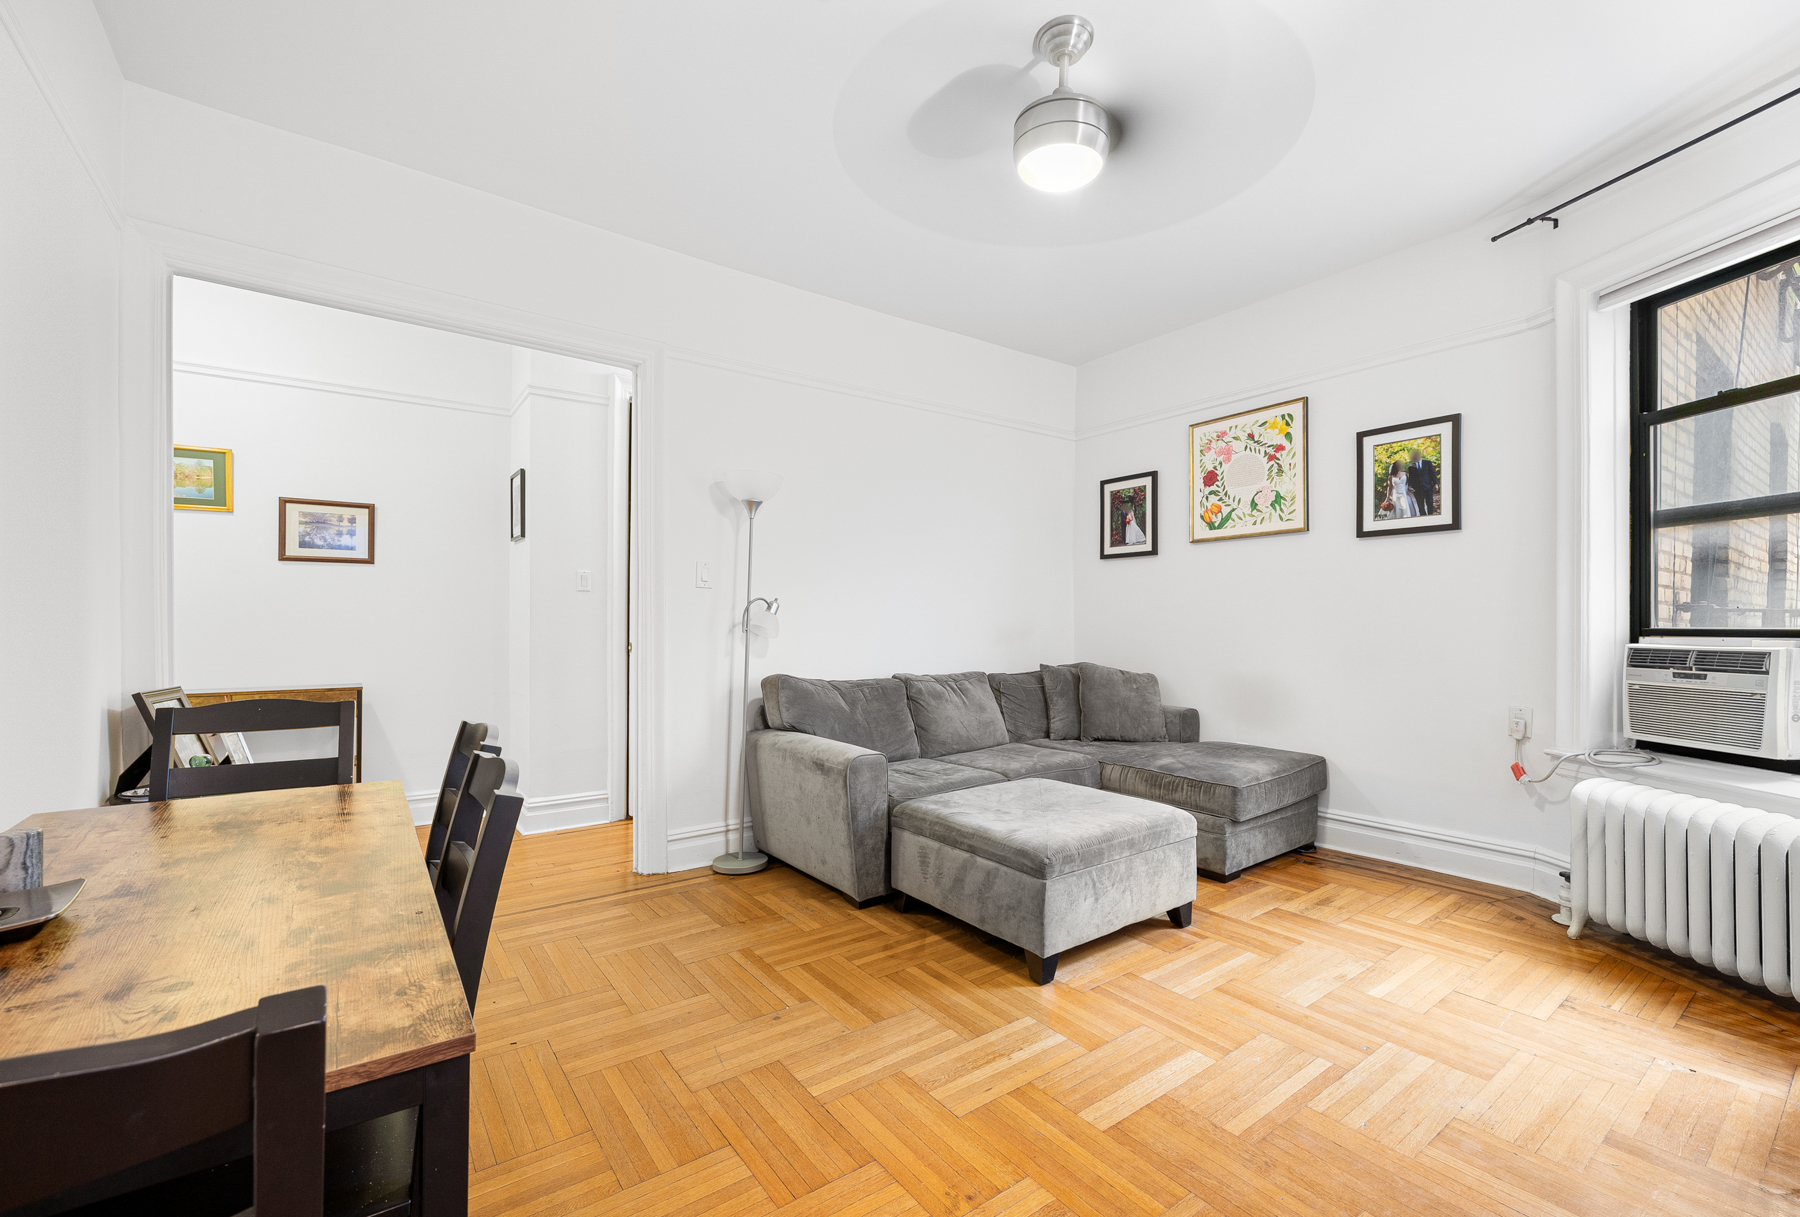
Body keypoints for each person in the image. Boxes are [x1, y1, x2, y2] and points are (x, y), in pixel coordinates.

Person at [1406, 446, 1439, 515]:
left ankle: (1431, 518)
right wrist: (1409, 486)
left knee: (1430, 504)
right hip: (1417, 489)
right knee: (1420, 506)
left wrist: (1435, 483)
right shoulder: (1411, 467)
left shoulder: (1427, 463)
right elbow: (1411, 478)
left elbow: (1432, 474)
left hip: (1428, 487)